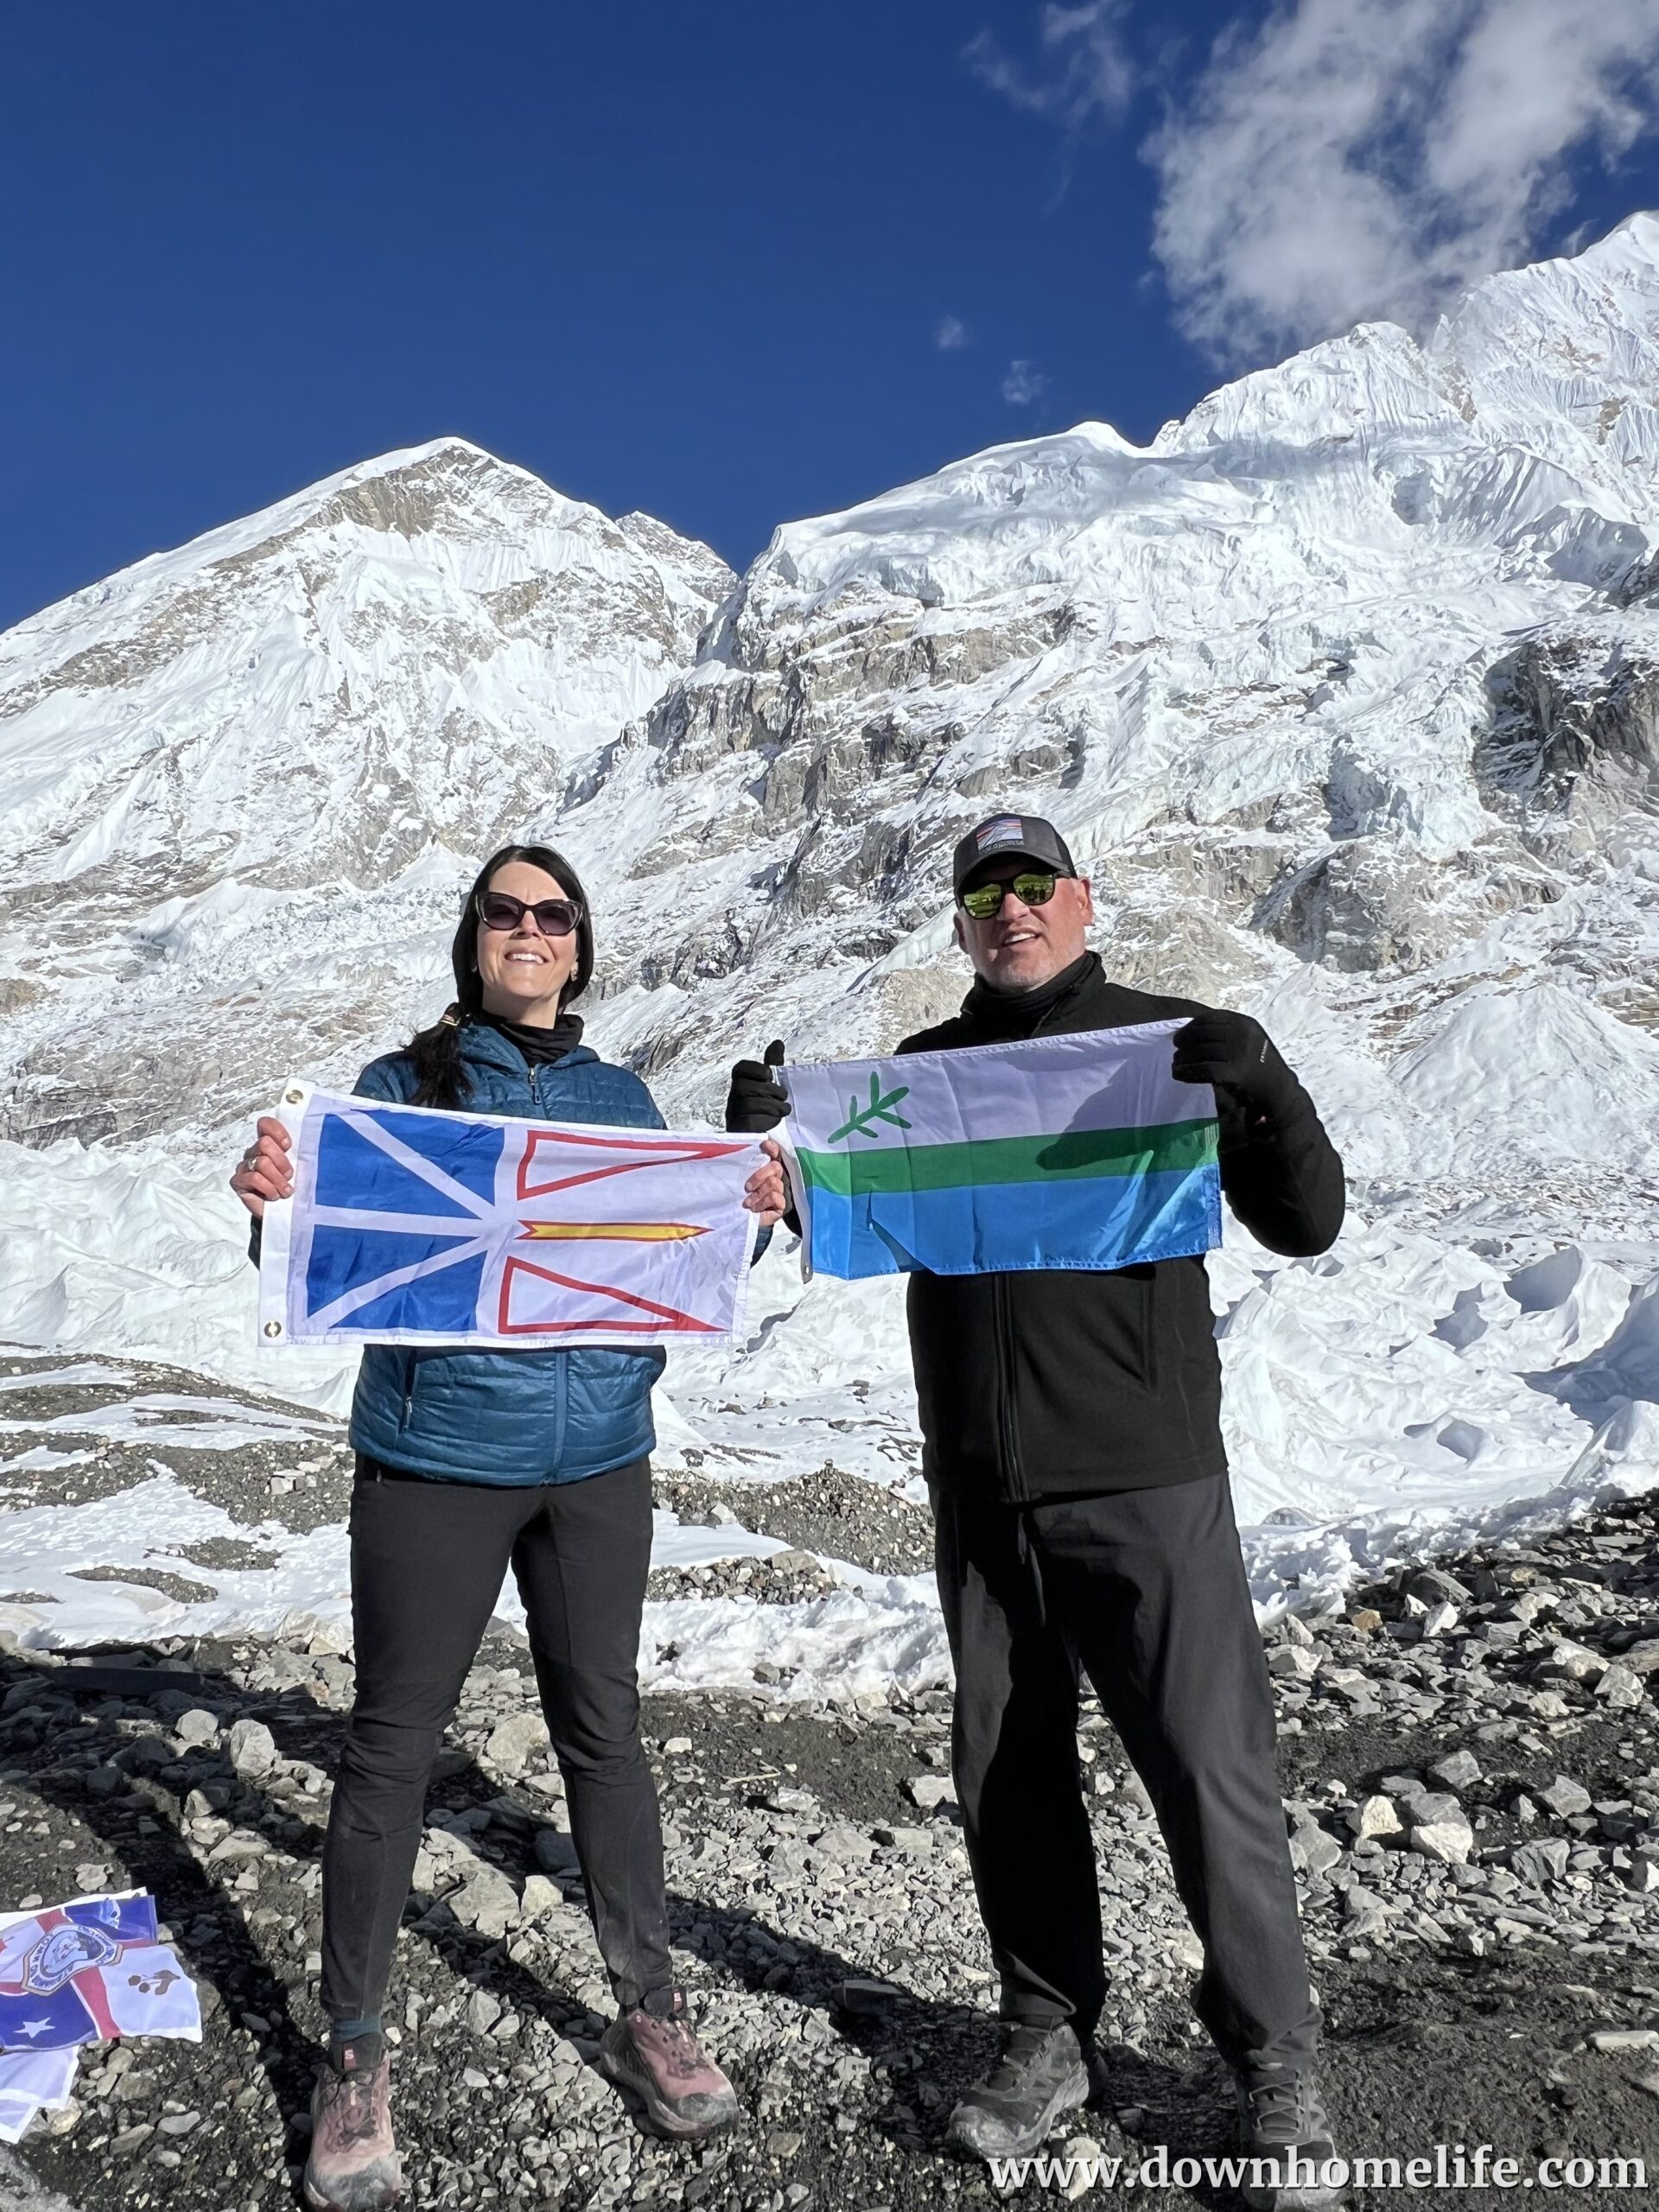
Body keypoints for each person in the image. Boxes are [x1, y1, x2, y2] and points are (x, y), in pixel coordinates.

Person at [726, 813, 1345, 2212]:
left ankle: (1277, 2062)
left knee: (1210, 1772)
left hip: (1146, 1479)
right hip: (982, 1487)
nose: (1010, 909)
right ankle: (1048, 2034)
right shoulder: (922, 1075)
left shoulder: (1172, 1048)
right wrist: (768, 1150)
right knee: (1008, 1772)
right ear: (960, 924)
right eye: (983, 893)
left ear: (1080, 899)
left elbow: (1307, 1223)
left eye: (1033, 885)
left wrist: (1267, 1086)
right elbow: (828, 1221)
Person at [233, 843, 787, 2212]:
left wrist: (750, 1205)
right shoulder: (399, 1088)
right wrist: (274, 1204)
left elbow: (675, 1252)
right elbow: (328, 1247)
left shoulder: (621, 1100)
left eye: (552, 914)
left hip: (599, 1460)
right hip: (434, 1459)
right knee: (391, 1747)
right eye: (504, 913)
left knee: (604, 1729)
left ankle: (648, 2006)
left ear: (579, 946)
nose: (527, 931)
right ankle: (353, 2056)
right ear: (473, 939)